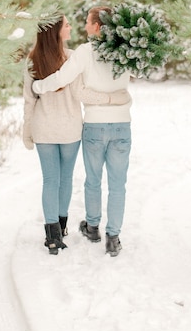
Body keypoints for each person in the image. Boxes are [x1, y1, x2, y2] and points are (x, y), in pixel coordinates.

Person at [23, 14, 130, 256]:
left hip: (43, 128)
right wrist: (114, 99)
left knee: (50, 180)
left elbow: (29, 101)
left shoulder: (32, 61)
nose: (72, 27)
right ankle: (63, 227)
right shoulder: (71, 57)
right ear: (56, 32)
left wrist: (26, 130)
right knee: (67, 179)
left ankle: (52, 236)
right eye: (67, 25)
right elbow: (81, 91)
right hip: (71, 128)